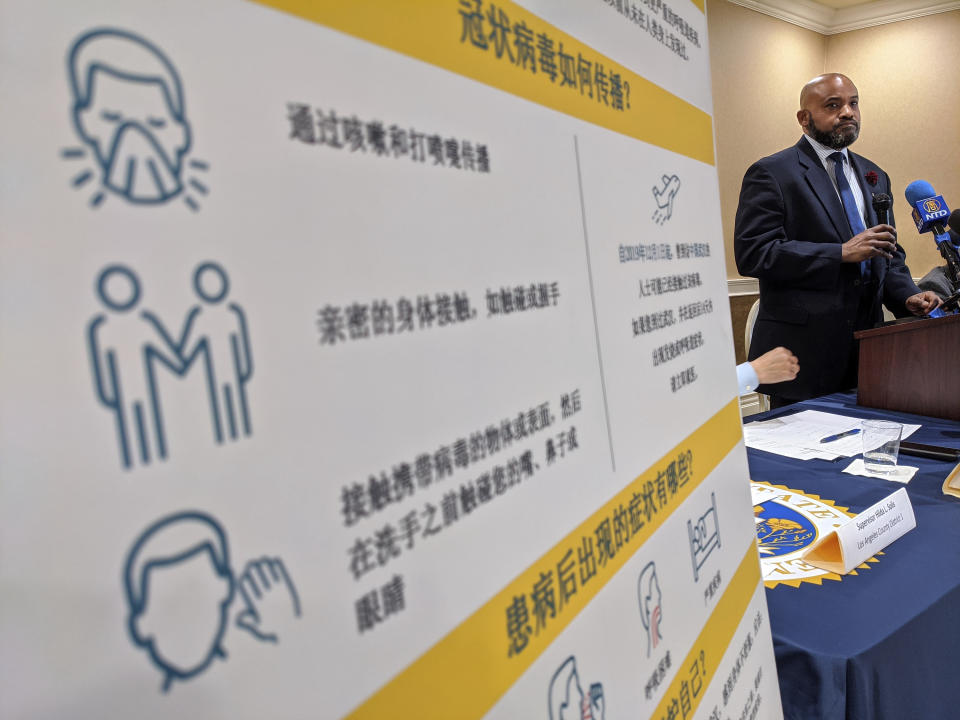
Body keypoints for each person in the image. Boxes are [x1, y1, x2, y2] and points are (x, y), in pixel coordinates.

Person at [734, 73, 940, 407]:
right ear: (804, 118)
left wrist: (908, 296)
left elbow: (888, 253)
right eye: (833, 105)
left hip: (868, 353)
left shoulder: (875, 175)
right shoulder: (772, 173)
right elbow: (754, 253)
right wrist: (839, 253)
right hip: (802, 357)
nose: (848, 112)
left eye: (853, 103)